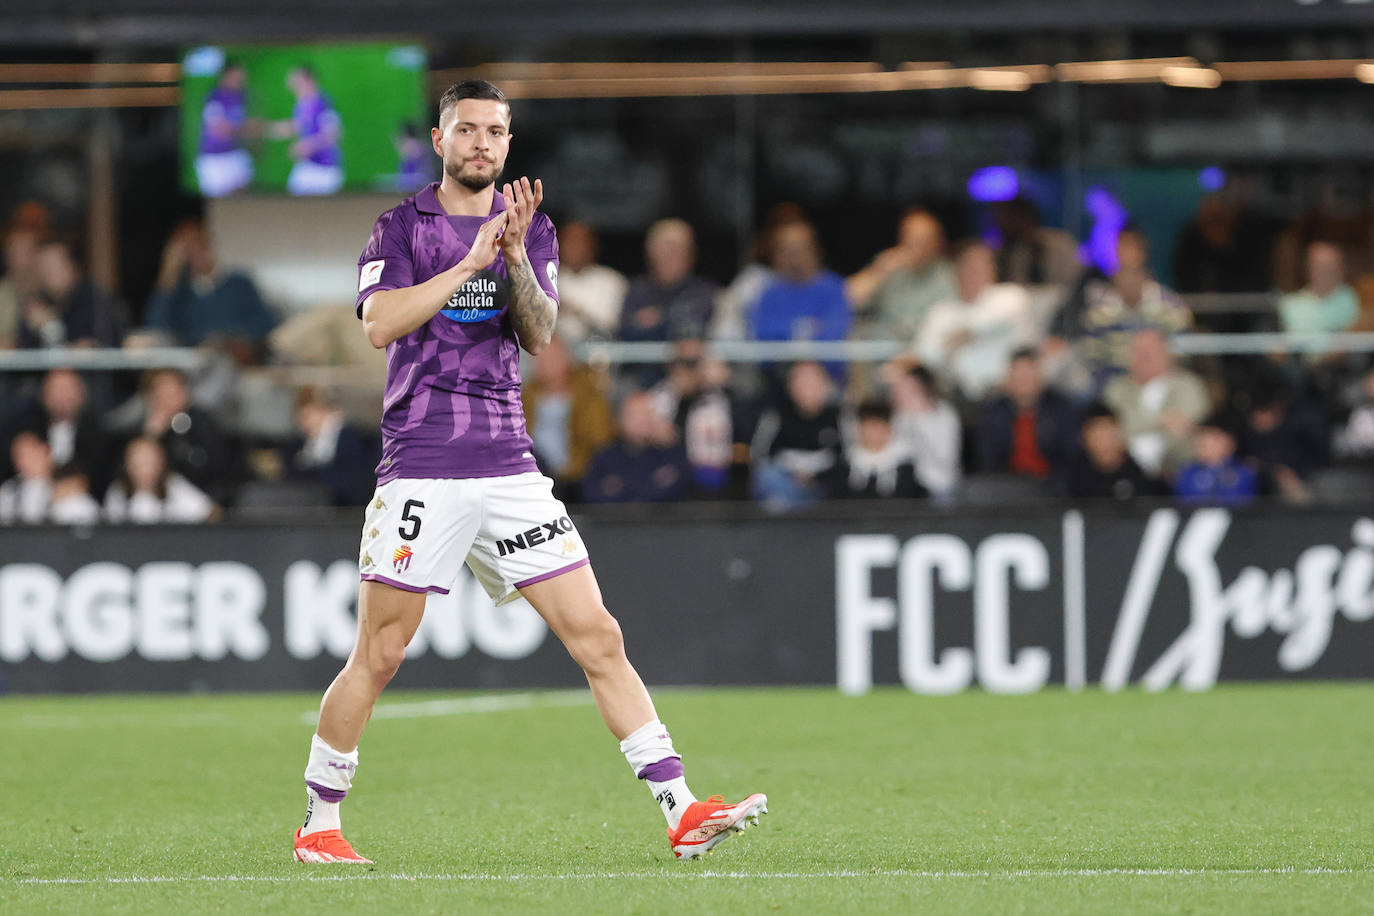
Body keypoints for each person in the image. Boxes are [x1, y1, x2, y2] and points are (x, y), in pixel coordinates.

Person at [298, 79, 765, 867]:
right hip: (424, 465)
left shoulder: (531, 230)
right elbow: (380, 325)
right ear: (441, 141)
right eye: (469, 129)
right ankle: (319, 822)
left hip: (509, 466)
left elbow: (541, 333)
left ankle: (681, 811)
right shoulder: (400, 228)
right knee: (379, 652)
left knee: (599, 636)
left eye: (497, 132)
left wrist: (511, 254)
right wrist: (469, 261)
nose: (484, 143)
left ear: (509, 144)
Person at [1050, 228, 1191, 395]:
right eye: (1121, 249)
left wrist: (1154, 375)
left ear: (1144, 256)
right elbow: (1092, 355)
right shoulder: (1099, 307)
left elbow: (1182, 351)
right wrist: (1117, 384)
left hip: (1162, 381)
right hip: (1112, 384)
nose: (1127, 256)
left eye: (1133, 249)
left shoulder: (1170, 304)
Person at [914, 240, 1034, 401]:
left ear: (993, 271)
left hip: (1005, 394)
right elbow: (925, 352)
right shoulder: (942, 310)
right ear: (956, 273)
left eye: (980, 267)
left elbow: (997, 321)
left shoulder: (1010, 296)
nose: (973, 274)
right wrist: (959, 340)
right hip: (957, 394)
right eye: (968, 268)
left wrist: (961, 338)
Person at [142, 218, 278, 359]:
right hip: (195, 366)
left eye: (197, 244)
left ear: (209, 245)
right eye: (185, 248)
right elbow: (156, 329)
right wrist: (168, 274)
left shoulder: (239, 283)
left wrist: (230, 340)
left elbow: (266, 326)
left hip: (237, 363)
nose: (193, 252)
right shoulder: (178, 293)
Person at [1102, 329, 1210, 479]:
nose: (1144, 356)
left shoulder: (1188, 385)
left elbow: (1187, 427)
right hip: (1123, 472)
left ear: (1168, 354)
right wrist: (1161, 421)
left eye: (1151, 350)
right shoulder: (1116, 389)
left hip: (1178, 471)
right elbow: (1109, 433)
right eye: (1137, 350)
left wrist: (1135, 427)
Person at [521, 335, 616, 496]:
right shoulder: (524, 396)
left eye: (551, 357)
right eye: (538, 358)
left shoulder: (589, 395)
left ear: (566, 358)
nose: (544, 364)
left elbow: (600, 438)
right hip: (533, 473)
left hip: (577, 476)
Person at [647, 339, 741, 497]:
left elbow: (746, 436)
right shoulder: (658, 398)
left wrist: (727, 386)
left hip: (714, 477)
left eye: (695, 362)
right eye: (683, 362)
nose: (689, 369)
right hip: (668, 478)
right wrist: (680, 397)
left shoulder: (722, 396)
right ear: (672, 365)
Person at [846, 208, 957, 342]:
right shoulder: (888, 265)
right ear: (901, 239)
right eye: (912, 239)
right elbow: (849, 299)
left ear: (938, 243)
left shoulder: (950, 275)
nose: (919, 247)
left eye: (925, 240)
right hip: (885, 349)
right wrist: (880, 272)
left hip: (926, 351)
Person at [976, 347, 1079, 485]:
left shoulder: (1062, 408)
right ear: (1009, 379)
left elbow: (1070, 457)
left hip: (1053, 488)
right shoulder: (993, 413)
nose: (1024, 382)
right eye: (1019, 376)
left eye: (1029, 375)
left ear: (1040, 377)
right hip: (1007, 489)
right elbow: (988, 461)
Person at [750, 360, 844, 511]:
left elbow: (848, 457)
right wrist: (793, 474)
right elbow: (760, 456)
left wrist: (815, 477)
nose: (807, 388)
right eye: (801, 380)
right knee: (768, 476)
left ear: (826, 385)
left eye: (813, 381)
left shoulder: (840, 417)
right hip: (785, 486)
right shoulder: (776, 416)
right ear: (790, 386)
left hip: (823, 487)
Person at [750, 221, 850, 353]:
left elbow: (836, 331)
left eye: (799, 250)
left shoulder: (833, 289)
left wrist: (790, 334)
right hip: (780, 369)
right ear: (777, 255)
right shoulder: (769, 293)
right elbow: (762, 332)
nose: (794, 259)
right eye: (787, 251)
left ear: (815, 250)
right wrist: (803, 328)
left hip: (825, 369)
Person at [581, 390, 693, 504]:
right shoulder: (604, 457)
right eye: (635, 414)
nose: (643, 420)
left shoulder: (671, 454)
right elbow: (590, 494)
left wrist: (619, 486)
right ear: (620, 419)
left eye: (647, 413)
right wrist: (649, 484)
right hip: (617, 520)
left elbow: (677, 487)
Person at [11, 368, 111, 494]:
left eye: (68, 389)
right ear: (43, 395)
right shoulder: (25, 432)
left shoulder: (100, 438)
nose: (62, 397)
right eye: (56, 389)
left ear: (82, 394)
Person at [619, 218, 717, 344]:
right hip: (642, 361)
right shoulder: (636, 290)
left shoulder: (706, 291)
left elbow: (695, 326)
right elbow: (624, 330)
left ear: (692, 253)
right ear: (650, 252)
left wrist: (660, 319)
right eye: (666, 247)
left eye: (679, 248)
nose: (671, 254)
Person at [17, 239, 123, 349]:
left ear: (72, 266)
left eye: (54, 266)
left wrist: (51, 328)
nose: (48, 274)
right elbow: (24, 350)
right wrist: (34, 329)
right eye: (43, 268)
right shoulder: (37, 301)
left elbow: (91, 347)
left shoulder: (93, 297)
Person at [1238, 378, 1330, 503]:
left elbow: (1319, 459)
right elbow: (1246, 461)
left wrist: (1290, 474)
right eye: (1255, 415)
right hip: (1261, 483)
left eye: (1264, 413)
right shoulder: (1247, 433)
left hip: (1305, 480)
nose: (1259, 420)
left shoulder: (1300, 427)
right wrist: (1268, 469)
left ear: (1277, 409)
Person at [283, 387, 377, 507]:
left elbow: (353, 478)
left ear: (325, 411)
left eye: (308, 416)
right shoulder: (299, 444)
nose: (304, 424)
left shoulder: (350, 437)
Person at [1063, 403, 1165, 501]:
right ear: (1085, 438)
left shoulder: (1141, 473)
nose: (1106, 442)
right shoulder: (1073, 478)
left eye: (1109, 433)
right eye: (1099, 436)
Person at [889, 364, 961, 499]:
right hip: (905, 486)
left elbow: (945, 459)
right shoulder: (900, 416)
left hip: (939, 486)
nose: (901, 394)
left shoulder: (944, 414)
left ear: (922, 388)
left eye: (909, 388)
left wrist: (918, 419)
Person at [103, 436, 216, 523]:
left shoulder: (175, 487)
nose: (144, 465)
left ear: (161, 462)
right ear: (126, 464)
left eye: (149, 458)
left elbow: (211, 513)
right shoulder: (117, 492)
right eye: (137, 459)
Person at [552, 221, 627, 348]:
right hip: (555, 353)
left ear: (592, 246)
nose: (574, 248)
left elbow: (610, 324)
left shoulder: (611, 281)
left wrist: (575, 311)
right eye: (569, 243)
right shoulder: (543, 279)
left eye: (580, 242)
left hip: (598, 352)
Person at [272, 64, 344, 196]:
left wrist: (308, 145)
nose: (290, 82)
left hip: (323, 171)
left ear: (307, 79)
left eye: (295, 78)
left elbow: (334, 134)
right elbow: (303, 125)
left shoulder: (322, 103)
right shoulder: (302, 104)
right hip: (308, 166)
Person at [838, 399, 924, 499]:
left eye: (877, 427)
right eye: (867, 426)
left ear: (890, 430)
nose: (872, 433)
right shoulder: (844, 466)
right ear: (858, 429)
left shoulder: (906, 468)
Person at [991, 197, 1081, 290]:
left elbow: (1073, 280)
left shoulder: (1059, 244)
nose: (999, 224)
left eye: (1006, 218)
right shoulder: (1004, 250)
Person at [195, 60, 254, 197]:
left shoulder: (241, 96)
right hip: (214, 159)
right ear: (226, 75)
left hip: (235, 153)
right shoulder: (214, 97)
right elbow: (217, 130)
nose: (241, 78)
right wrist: (246, 127)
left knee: (244, 193)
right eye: (237, 75)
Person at [1174, 413, 1258, 507]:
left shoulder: (1244, 471)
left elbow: (1244, 502)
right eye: (1201, 439)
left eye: (1213, 439)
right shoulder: (1187, 472)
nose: (1203, 443)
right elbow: (1182, 502)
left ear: (1229, 442)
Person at [1278, 241, 1358, 335]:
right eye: (1320, 267)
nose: (1326, 273)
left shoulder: (1359, 300)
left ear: (1342, 269)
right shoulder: (1289, 305)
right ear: (1308, 268)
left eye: (1332, 267)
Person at [0, 431, 53, 524]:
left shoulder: (67, 485)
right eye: (17, 456)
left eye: (27, 454)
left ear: (45, 451)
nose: (21, 462)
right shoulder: (9, 491)